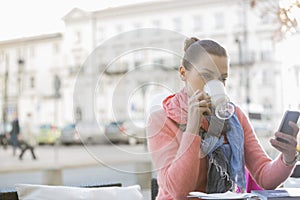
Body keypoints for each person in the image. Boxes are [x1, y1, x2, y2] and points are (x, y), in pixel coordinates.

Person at [147, 37, 299, 199]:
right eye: (206, 76)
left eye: (222, 79)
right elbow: (180, 192)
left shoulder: (235, 117)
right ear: (183, 73)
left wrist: (288, 158)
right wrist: (192, 127)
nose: (215, 85)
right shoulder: (161, 119)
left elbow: (264, 176)